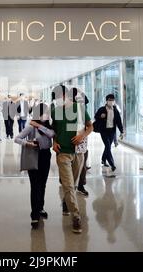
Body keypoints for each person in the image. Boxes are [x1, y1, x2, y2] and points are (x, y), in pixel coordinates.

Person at [51, 85, 93, 234]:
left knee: (73, 185)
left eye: (58, 97)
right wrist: (54, 142)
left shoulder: (79, 108)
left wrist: (82, 135)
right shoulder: (55, 111)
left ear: (65, 95)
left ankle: (65, 202)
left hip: (78, 152)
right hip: (62, 153)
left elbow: (90, 127)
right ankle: (76, 216)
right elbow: (53, 132)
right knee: (68, 185)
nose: (57, 100)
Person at [15, 103, 55, 229]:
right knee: (35, 185)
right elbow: (17, 139)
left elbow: (51, 134)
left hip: (45, 156)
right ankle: (34, 215)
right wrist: (27, 143)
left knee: (43, 183)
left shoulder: (47, 126)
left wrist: (39, 126)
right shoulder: (30, 127)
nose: (47, 115)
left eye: (48, 113)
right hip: (34, 157)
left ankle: (40, 207)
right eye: (45, 113)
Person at [94, 94, 124, 175]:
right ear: (107, 101)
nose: (111, 101)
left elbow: (118, 121)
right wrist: (101, 116)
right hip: (103, 131)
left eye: (113, 100)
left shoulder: (115, 110)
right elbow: (96, 117)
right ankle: (112, 164)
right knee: (107, 146)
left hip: (112, 131)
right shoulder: (102, 109)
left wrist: (122, 131)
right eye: (110, 100)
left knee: (108, 146)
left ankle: (103, 159)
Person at [73, 89, 91, 197]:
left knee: (82, 165)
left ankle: (80, 185)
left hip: (82, 141)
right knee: (71, 167)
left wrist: (82, 136)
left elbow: (89, 126)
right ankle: (69, 186)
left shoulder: (83, 108)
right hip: (70, 142)